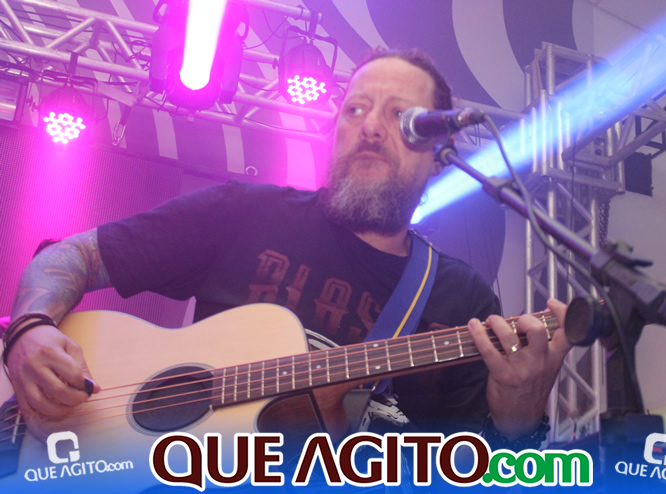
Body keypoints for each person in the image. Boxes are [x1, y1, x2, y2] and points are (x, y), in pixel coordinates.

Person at [3, 49, 571, 455]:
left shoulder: (462, 300)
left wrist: (520, 415)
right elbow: (73, 256)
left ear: (439, 150)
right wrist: (29, 329)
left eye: (401, 117)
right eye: (355, 110)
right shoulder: (243, 212)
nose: (370, 127)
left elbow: (483, 472)